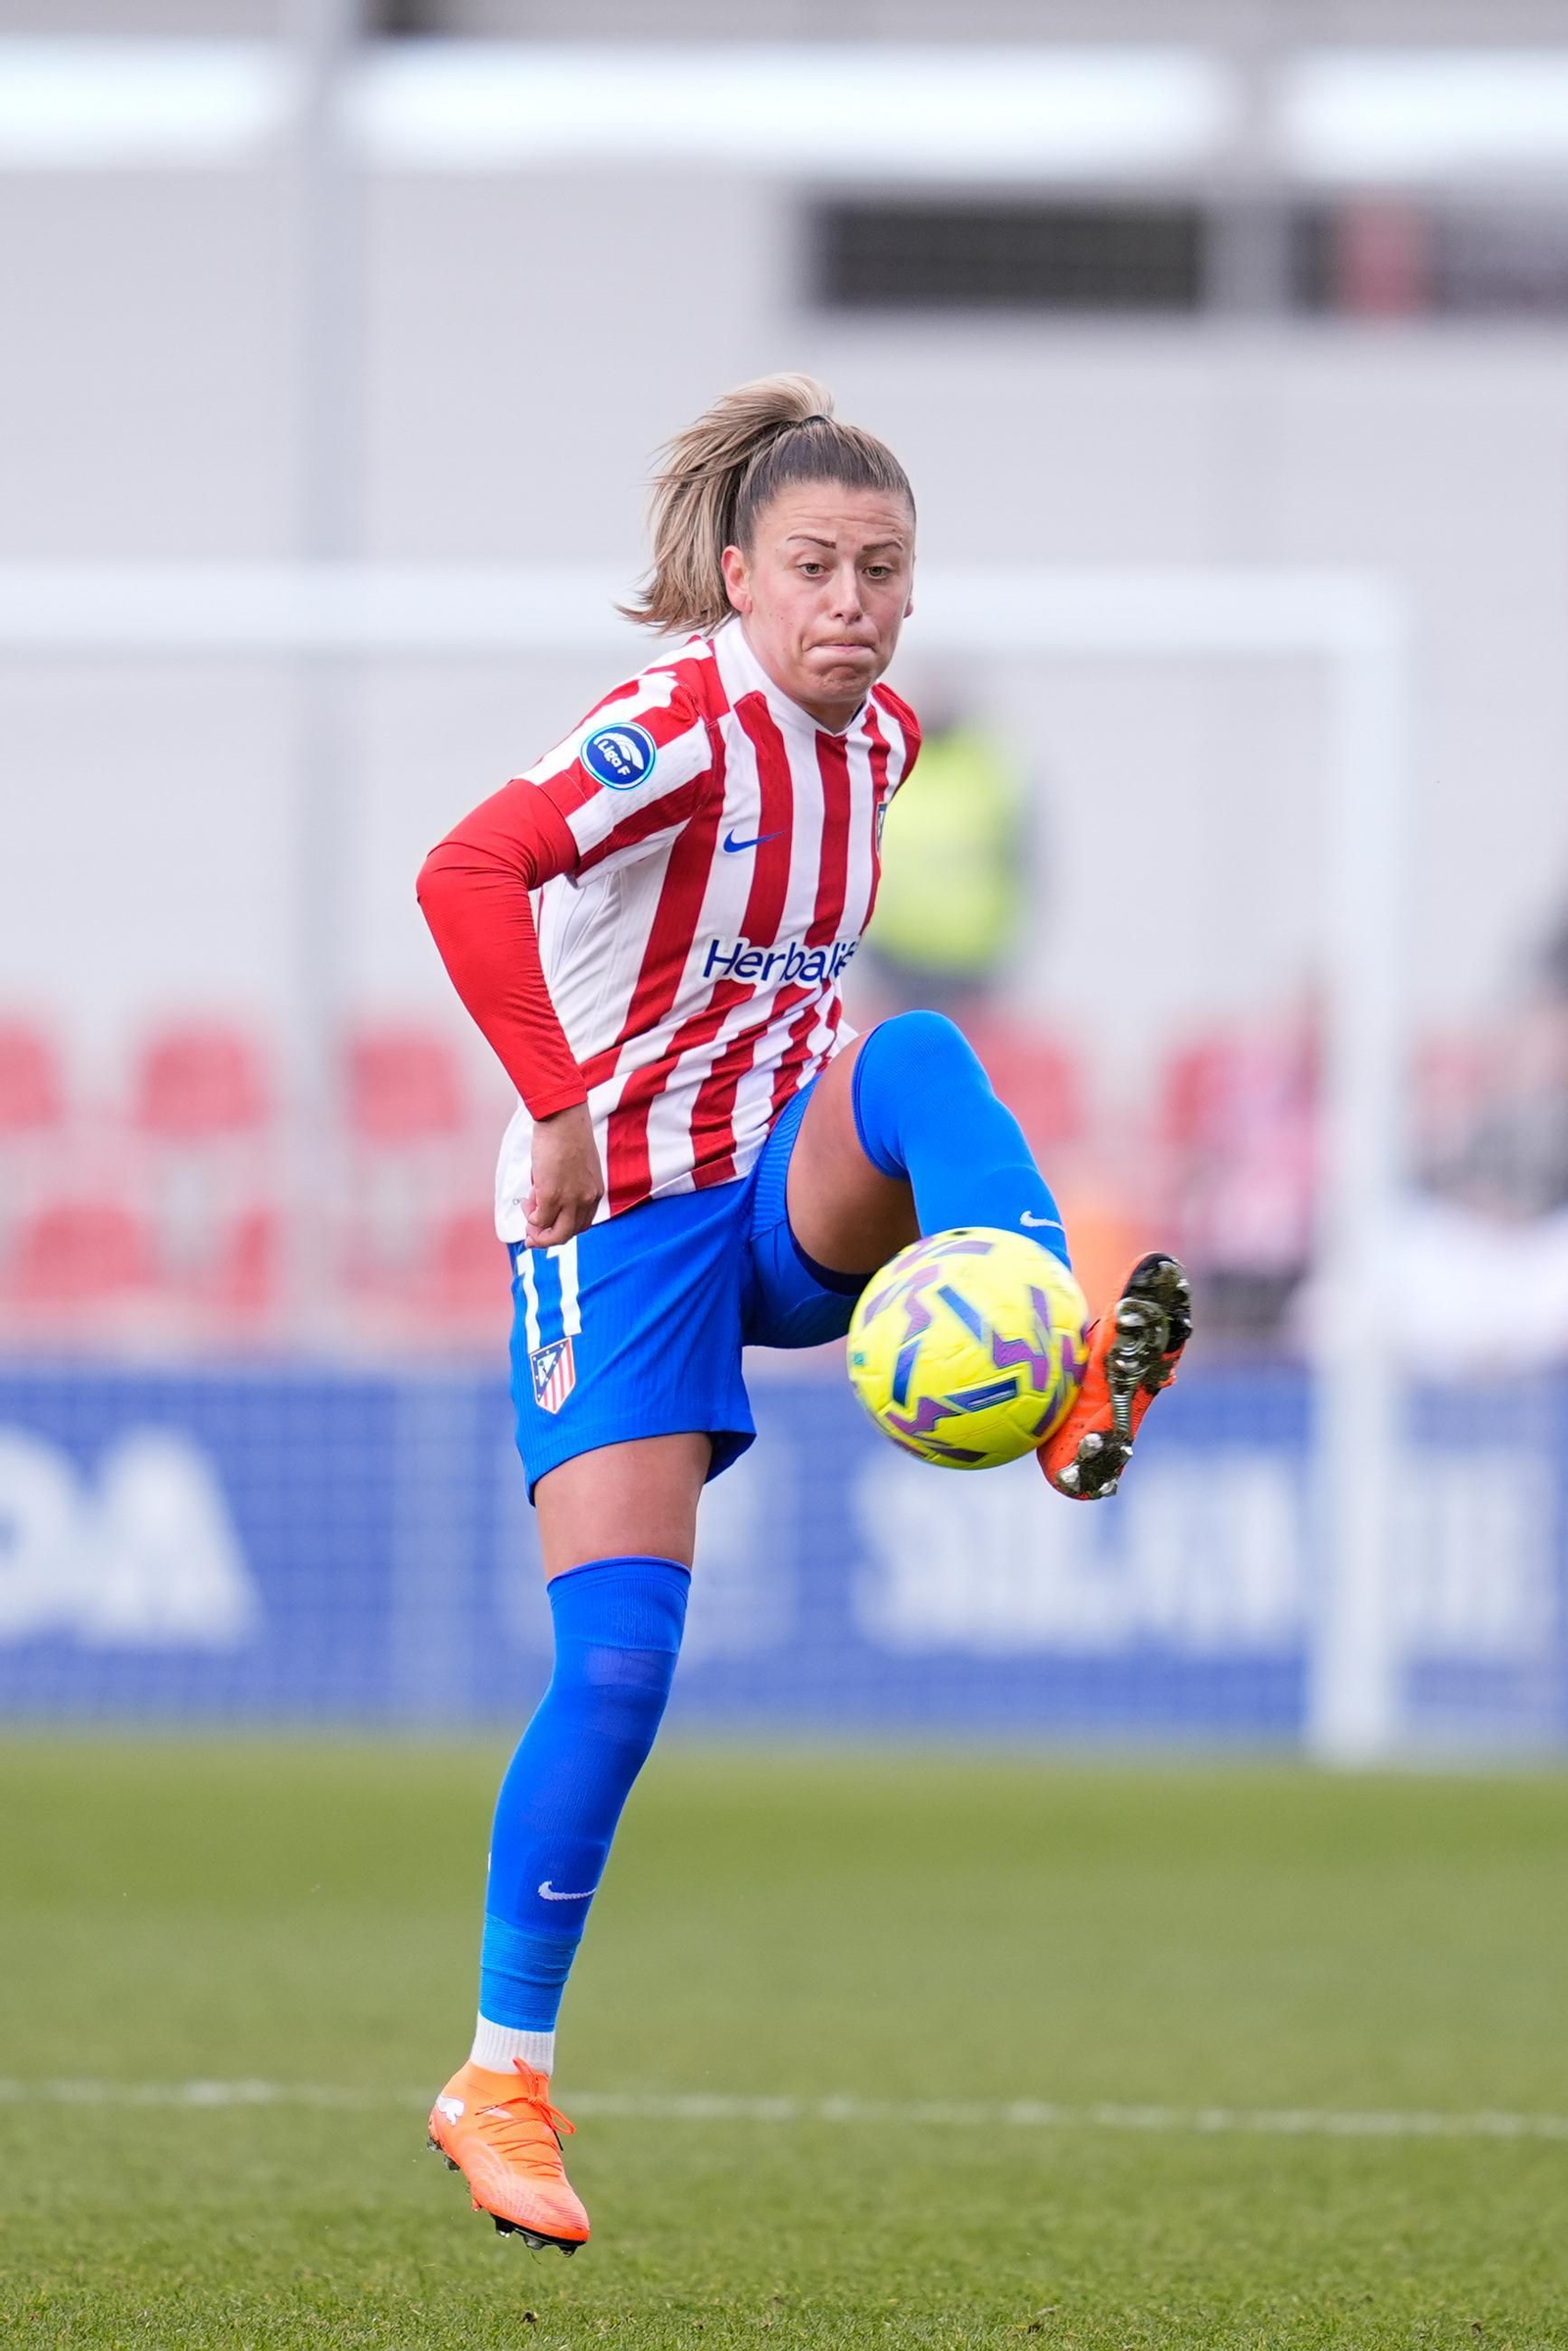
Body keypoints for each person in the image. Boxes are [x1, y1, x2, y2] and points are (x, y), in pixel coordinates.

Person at [415, 374, 1191, 2255]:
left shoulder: (889, 742)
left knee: (913, 1053)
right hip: (613, 1225)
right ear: (742, 577)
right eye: (819, 567)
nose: (852, 602)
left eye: (884, 570)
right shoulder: (671, 726)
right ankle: (499, 2081)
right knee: (619, 1666)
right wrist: (556, 1104)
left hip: (772, 1192)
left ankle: (1063, 1369)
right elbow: (466, 871)